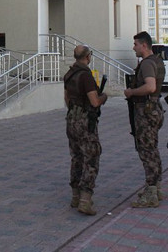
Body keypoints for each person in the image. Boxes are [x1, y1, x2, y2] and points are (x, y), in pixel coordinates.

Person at [64, 45, 108, 215]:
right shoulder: (85, 75)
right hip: (85, 122)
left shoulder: (69, 74)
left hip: (72, 119)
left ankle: (75, 197)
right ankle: (85, 200)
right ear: (88, 56)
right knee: (91, 158)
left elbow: (67, 99)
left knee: (76, 157)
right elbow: (94, 101)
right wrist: (104, 97)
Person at [124, 31, 165, 208]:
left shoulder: (147, 63)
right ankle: (155, 188)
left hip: (146, 111)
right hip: (152, 109)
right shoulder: (156, 61)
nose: (134, 48)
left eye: (136, 44)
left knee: (147, 151)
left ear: (144, 45)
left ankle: (151, 193)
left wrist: (131, 92)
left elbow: (150, 87)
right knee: (152, 149)